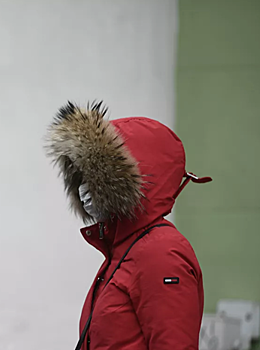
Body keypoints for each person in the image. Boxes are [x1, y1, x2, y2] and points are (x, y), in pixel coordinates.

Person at [46, 102, 211, 350]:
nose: (83, 191)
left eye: (95, 179)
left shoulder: (161, 254)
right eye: (81, 178)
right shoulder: (123, 250)